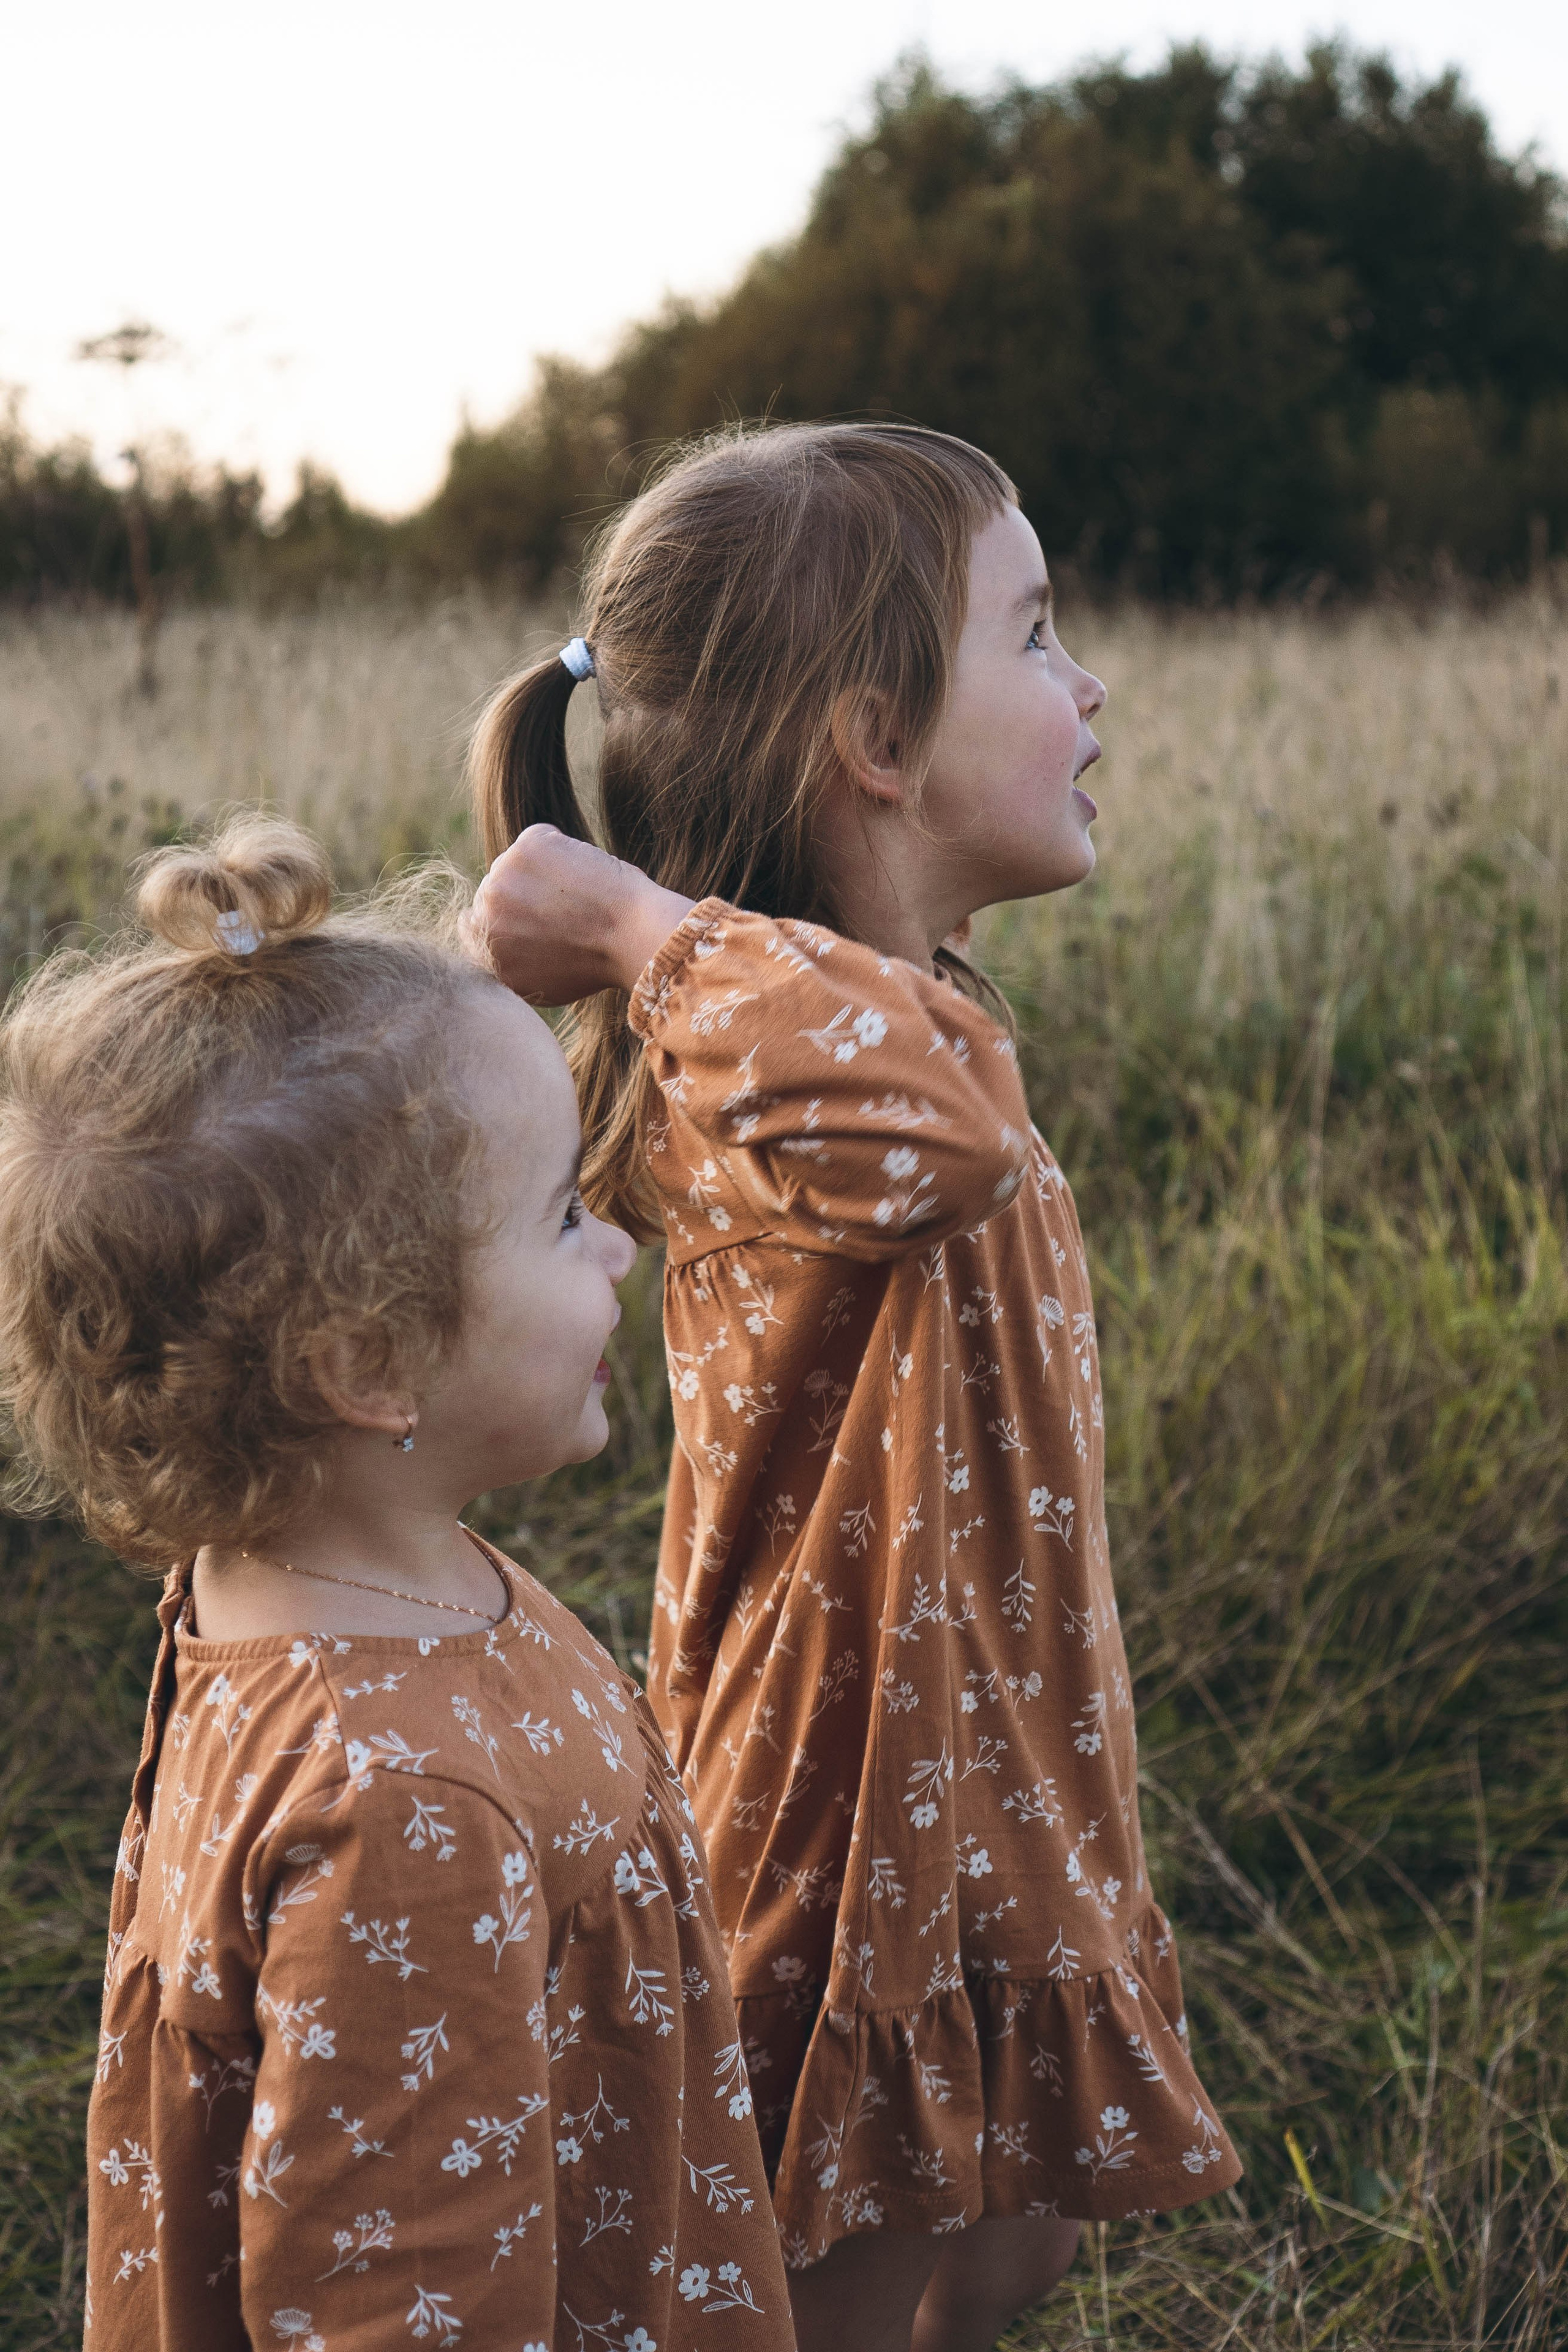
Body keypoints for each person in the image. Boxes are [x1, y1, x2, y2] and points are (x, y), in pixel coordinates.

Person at [469, 423, 1243, 2352]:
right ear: (878, 743)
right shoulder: (762, 1064)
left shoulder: (887, 1009)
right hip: (843, 1805)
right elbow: (938, 1134)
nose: (1090, 684)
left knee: (1008, 2247)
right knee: (831, 2282)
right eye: (1036, 634)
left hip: (997, 1766)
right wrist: (639, 927)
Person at [0, 816, 793, 2351]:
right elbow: (399, 2295)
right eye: (563, 1214)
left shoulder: (315, 1573)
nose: (619, 1248)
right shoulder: (401, 1809)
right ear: (366, 1364)